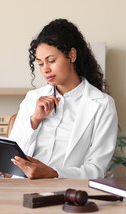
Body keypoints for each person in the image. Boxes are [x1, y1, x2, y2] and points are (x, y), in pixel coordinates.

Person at [9, 18, 118, 179]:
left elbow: (96, 169)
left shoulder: (102, 105)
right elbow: (12, 158)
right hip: (22, 188)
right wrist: (34, 120)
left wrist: (53, 173)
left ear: (72, 55)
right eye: (40, 63)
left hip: (68, 191)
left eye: (51, 61)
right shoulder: (33, 98)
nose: (45, 70)